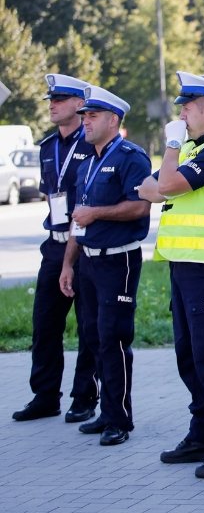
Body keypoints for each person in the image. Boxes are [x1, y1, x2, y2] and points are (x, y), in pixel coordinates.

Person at [138, 71, 204, 479]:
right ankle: (202, 431)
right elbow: (148, 189)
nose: (181, 114)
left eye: (186, 107)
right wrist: (166, 179)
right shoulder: (197, 148)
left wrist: (170, 148)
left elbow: (162, 184)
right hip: (185, 266)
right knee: (189, 354)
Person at [58, 86, 151, 446]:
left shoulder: (132, 157)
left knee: (114, 339)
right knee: (94, 338)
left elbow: (140, 207)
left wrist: (96, 213)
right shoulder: (88, 160)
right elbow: (77, 219)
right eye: (83, 116)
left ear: (113, 120)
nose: (85, 122)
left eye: (92, 116)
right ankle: (105, 411)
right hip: (89, 263)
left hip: (119, 260)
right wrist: (68, 264)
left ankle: (119, 419)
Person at [12, 74, 98, 424]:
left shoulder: (91, 143)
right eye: (51, 99)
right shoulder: (48, 146)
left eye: (59, 99)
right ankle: (45, 395)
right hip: (55, 244)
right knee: (44, 323)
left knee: (89, 325)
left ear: (79, 105)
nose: (51, 105)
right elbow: (52, 195)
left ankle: (84, 397)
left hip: (86, 246)